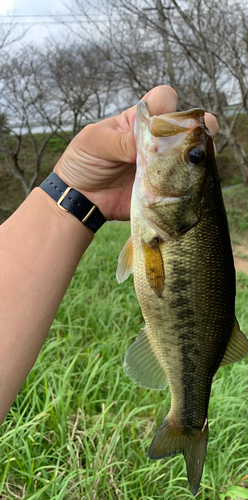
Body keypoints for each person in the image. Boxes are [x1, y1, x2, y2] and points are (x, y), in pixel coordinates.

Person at [0, 85, 219, 426]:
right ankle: (189, 418)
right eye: (195, 156)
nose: (191, 150)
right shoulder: (165, 227)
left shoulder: (170, 228)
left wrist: (73, 193)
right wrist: (76, 189)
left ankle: (188, 421)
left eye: (195, 157)